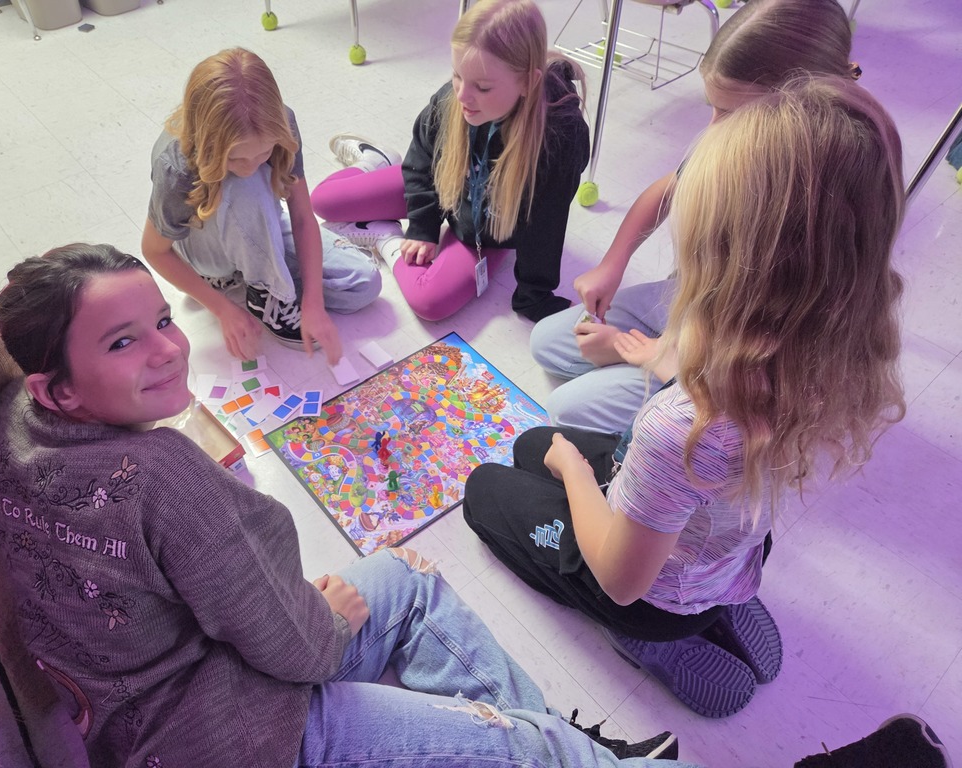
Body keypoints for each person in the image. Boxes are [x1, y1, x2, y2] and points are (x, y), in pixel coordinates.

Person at [0, 243, 686, 767]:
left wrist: (299, 614)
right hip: (238, 739)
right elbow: (302, 650)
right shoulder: (164, 475)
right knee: (527, 750)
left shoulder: (12, 422)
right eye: (123, 342)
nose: (167, 350)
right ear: (56, 389)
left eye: (163, 319)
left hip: (149, 719)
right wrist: (326, 621)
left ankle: (568, 746)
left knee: (406, 581)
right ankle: (565, 752)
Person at [463, 76, 907, 717]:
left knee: (486, 488)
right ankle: (724, 596)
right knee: (533, 443)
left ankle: (652, 640)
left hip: (648, 597)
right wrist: (643, 355)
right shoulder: (827, 355)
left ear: (720, 263)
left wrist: (575, 472)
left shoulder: (677, 428)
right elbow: (708, 384)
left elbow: (621, 578)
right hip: (726, 549)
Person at [529, 0, 863, 433]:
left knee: (568, 409)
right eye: (713, 106)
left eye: (732, 114)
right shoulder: (737, 140)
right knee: (547, 343)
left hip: (738, 352)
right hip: (694, 302)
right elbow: (669, 188)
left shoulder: (816, 204)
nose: (713, 128)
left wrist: (651, 354)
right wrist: (613, 264)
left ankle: (663, 380)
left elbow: (756, 342)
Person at [310, 0, 590, 323]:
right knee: (323, 200)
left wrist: (534, 296)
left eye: (482, 87)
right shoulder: (456, 96)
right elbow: (422, 159)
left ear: (527, 83)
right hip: (443, 182)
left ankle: (384, 236)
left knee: (429, 301)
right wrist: (423, 227)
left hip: (489, 226)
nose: (462, 96)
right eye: (457, 75)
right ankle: (377, 159)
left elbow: (546, 223)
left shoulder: (559, 137)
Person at [141, 48, 380, 364]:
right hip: (204, 249)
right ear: (207, 140)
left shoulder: (281, 122)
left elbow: (302, 216)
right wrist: (221, 309)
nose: (249, 166)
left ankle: (255, 277)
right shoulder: (175, 165)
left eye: (264, 153)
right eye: (235, 158)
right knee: (248, 186)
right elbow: (154, 250)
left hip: (256, 221)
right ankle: (261, 289)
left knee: (363, 284)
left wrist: (313, 303)